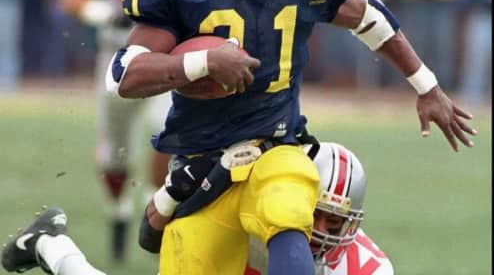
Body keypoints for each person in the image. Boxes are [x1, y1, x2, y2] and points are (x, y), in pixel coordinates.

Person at [107, 0, 476, 274]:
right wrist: (204, 63)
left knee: (287, 207)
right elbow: (124, 75)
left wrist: (426, 86)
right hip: (202, 160)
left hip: (276, 143)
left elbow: (369, 17)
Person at [58, 0, 193, 262]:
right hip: (117, 56)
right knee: (114, 154)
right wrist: (106, 15)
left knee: (167, 130)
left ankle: (153, 206)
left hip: (168, 56)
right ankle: (117, 211)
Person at [1, 143, 393, 275]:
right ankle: (50, 243)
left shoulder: (369, 269)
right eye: (313, 212)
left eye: (334, 220)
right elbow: (150, 235)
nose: (320, 229)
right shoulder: (245, 208)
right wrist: (177, 194)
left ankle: (49, 242)